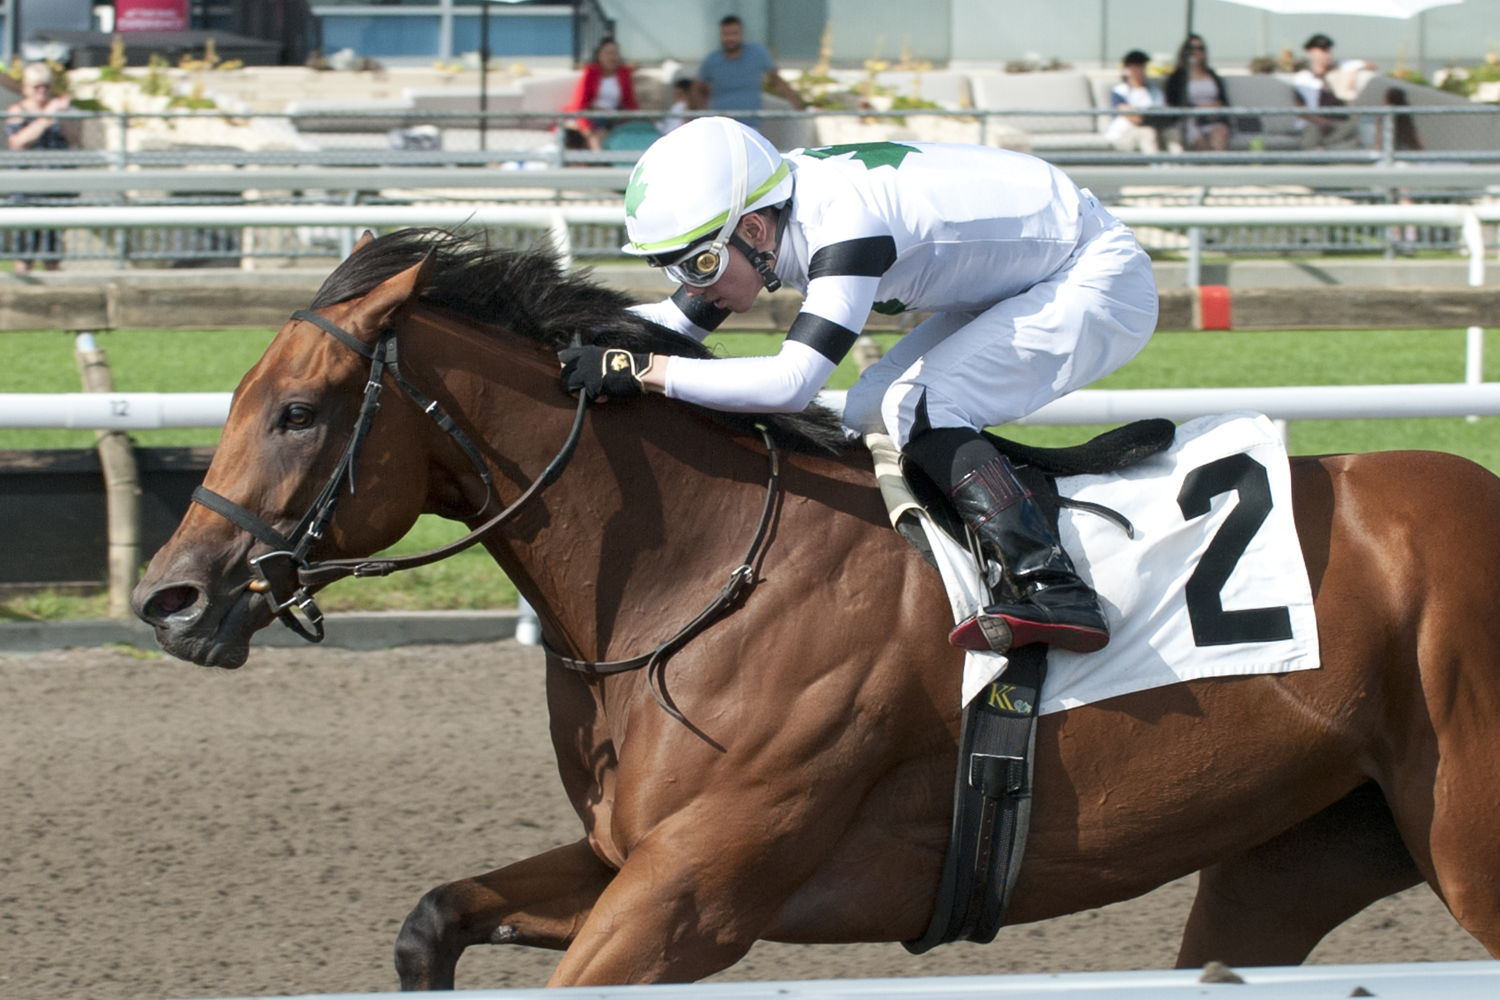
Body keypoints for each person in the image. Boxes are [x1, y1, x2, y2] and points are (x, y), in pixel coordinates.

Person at [559, 117, 1159, 655]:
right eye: (674, 266)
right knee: (872, 407)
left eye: (700, 266)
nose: (693, 286)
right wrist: (563, 335)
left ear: (754, 230)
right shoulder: (768, 213)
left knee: (921, 403)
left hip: (1092, 274)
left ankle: (1053, 586)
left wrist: (642, 373)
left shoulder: (845, 224)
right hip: (1021, 276)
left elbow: (791, 383)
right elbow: (674, 320)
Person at [5, 62, 77, 273]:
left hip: (56, 185)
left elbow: (74, 139)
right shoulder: (18, 111)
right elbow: (17, 142)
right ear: (26, 87)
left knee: (53, 246)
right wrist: (46, 118)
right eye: (36, 86)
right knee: (25, 245)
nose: (42, 90)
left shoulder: (59, 110)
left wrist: (61, 115)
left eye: (45, 85)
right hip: (26, 187)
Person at [693, 14, 805, 132]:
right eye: (726, 34)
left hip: (750, 125)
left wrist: (797, 104)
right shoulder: (711, 60)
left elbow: (776, 80)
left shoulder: (757, 53)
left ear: (742, 34)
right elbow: (697, 89)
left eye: (734, 34)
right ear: (720, 35)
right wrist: (704, 115)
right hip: (720, 127)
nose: (730, 38)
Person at [1292, 34, 1372, 151]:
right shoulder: (1302, 78)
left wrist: (1353, 72)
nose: (1327, 55)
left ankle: (1325, 150)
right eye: (1323, 51)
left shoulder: (1340, 69)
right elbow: (1299, 106)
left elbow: (1369, 65)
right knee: (1312, 135)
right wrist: (1319, 121)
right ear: (1310, 52)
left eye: (1328, 51)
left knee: (1357, 126)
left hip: (1338, 121)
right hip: (1314, 123)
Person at [561, 37, 639, 152]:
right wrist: (586, 127)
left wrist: (637, 118)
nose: (612, 57)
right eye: (608, 53)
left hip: (612, 116)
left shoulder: (624, 73)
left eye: (616, 53)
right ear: (599, 55)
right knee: (595, 136)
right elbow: (579, 103)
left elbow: (630, 102)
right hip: (590, 115)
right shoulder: (590, 73)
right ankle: (598, 163)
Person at [1164, 34, 1230, 152]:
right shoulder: (1177, 77)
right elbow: (1173, 103)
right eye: (1191, 48)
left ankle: (1216, 166)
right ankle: (1209, 166)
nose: (1196, 52)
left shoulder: (1212, 75)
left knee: (1220, 133)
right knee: (1198, 140)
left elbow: (1224, 100)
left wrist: (1216, 107)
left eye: (1200, 48)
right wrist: (1200, 108)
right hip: (1188, 119)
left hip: (1212, 119)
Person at [1106, 49, 1167, 154]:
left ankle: (1179, 166)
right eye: (1135, 66)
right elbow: (1131, 116)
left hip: (1156, 128)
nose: (1139, 70)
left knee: (1172, 133)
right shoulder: (1120, 91)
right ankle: (1156, 167)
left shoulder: (1154, 91)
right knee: (1148, 132)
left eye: (1142, 66)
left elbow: (1162, 113)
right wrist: (1147, 118)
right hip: (1126, 132)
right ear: (1127, 69)